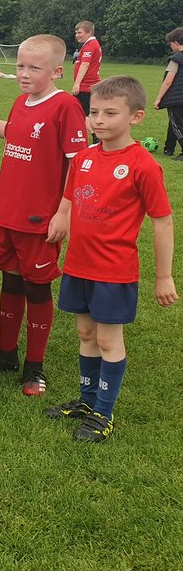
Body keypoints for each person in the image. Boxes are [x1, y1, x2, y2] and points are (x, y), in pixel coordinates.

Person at [46, 76, 176, 440]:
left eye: (109, 113)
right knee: (85, 333)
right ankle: (87, 401)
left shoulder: (143, 165)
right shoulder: (85, 158)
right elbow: (71, 197)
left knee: (108, 340)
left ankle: (104, 414)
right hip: (77, 265)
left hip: (113, 271)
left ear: (135, 117)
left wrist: (163, 276)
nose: (98, 120)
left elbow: (163, 223)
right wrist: (60, 215)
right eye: (94, 113)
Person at [0, 35, 88, 396]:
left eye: (34, 68)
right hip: (7, 212)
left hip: (40, 218)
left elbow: (79, 164)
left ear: (56, 71)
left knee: (38, 288)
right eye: (21, 66)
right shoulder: (23, 101)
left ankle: (34, 366)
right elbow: (14, 133)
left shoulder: (65, 106)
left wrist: (63, 213)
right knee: (11, 280)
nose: (24, 74)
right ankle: (7, 354)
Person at [152, 27, 183, 159]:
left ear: (176, 42)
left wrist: (159, 98)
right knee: (174, 122)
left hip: (177, 98)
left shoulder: (176, 59)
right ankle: (168, 149)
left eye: (170, 44)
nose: (170, 46)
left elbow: (168, 81)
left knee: (177, 124)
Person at [72, 21, 103, 119]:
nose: (77, 35)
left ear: (89, 32)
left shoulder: (90, 45)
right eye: (76, 33)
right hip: (90, 85)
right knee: (84, 114)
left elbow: (85, 64)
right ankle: (95, 134)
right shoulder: (90, 44)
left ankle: (95, 134)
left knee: (79, 114)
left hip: (86, 86)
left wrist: (77, 83)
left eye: (80, 33)